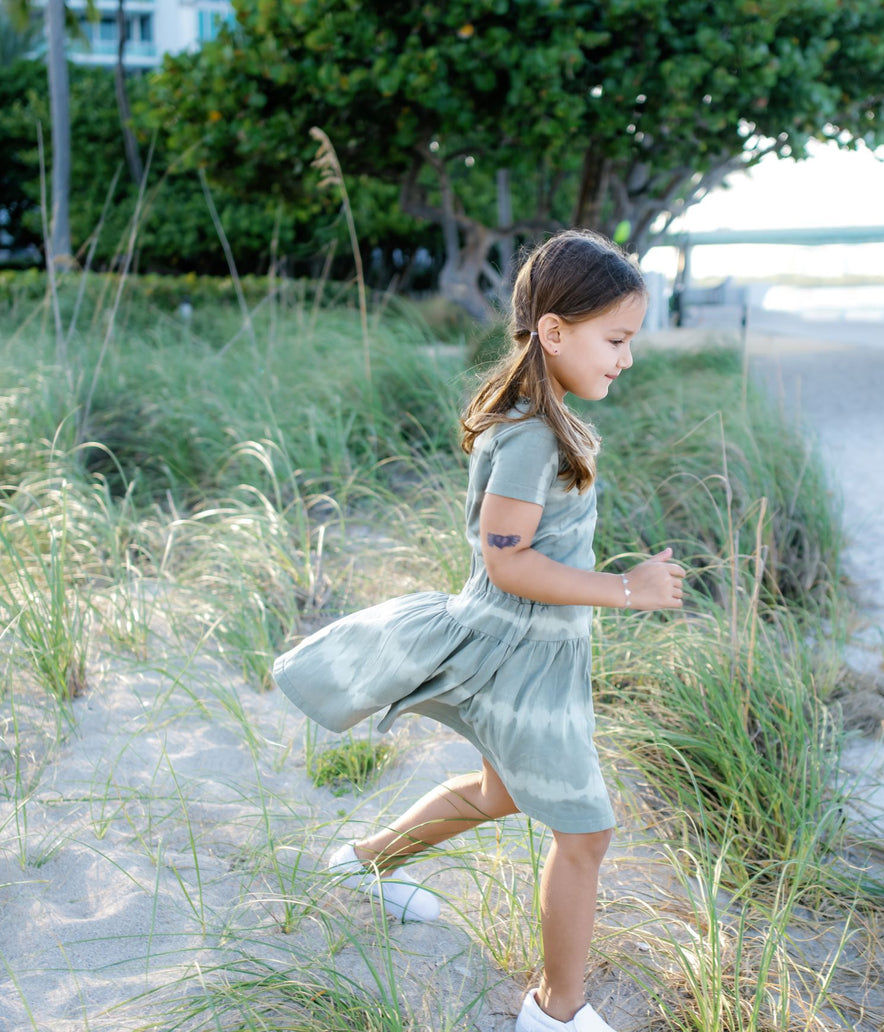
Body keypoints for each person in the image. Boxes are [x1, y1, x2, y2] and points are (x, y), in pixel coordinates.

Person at [272, 228, 686, 1032]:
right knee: (587, 833)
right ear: (555, 331)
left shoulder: (547, 419)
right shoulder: (531, 433)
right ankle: (557, 1012)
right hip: (515, 658)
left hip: (532, 653)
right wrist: (623, 589)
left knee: (499, 794)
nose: (626, 358)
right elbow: (508, 562)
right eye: (617, 339)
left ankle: (362, 866)